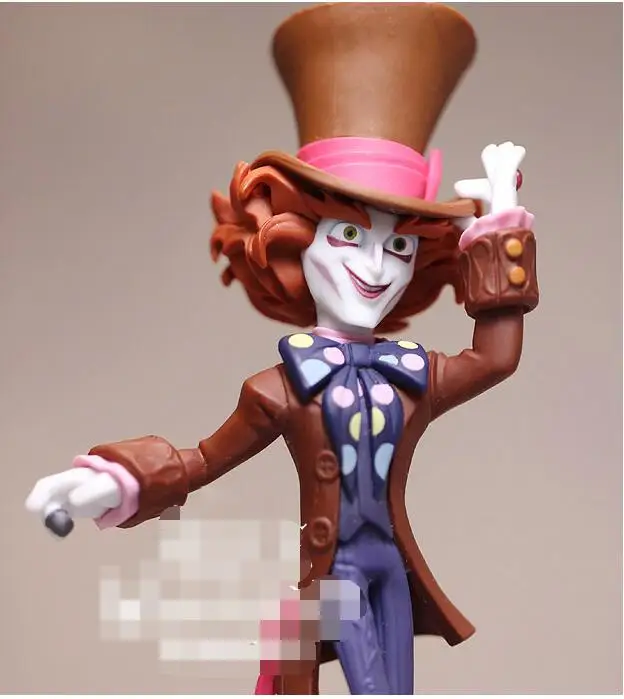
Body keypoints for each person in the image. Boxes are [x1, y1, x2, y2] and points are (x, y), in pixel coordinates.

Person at [25, 4, 539, 695]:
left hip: (391, 574)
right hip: (330, 583)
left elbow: (496, 357)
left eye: (398, 245)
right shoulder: (280, 389)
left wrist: (501, 227)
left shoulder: (412, 375)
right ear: (295, 243)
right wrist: (122, 480)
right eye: (349, 236)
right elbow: (203, 459)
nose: (376, 266)